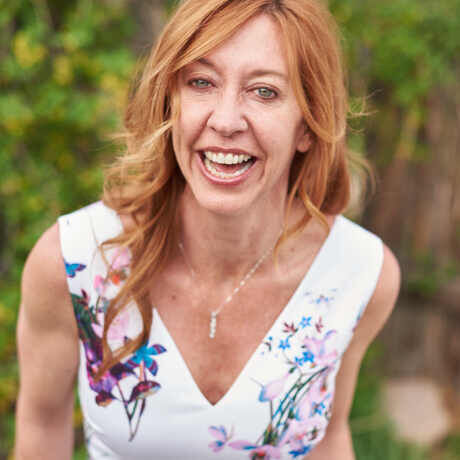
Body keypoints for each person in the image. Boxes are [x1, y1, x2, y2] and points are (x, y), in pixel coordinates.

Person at [15, 0, 400, 459]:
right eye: (201, 82)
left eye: (264, 92)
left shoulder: (359, 273)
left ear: (307, 126)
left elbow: (328, 435)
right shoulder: (74, 261)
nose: (225, 121)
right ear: (170, 103)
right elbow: (42, 424)